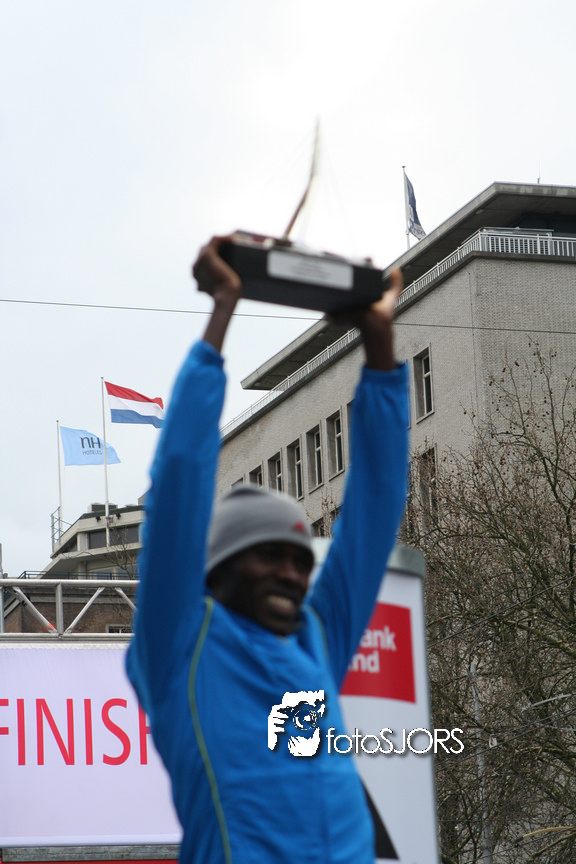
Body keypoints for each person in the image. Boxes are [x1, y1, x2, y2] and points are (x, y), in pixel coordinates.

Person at [126, 237, 409, 864]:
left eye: (302, 561)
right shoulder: (182, 644)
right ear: (218, 568)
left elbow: (374, 508)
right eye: (269, 555)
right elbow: (179, 484)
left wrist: (379, 342)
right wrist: (223, 309)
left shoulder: (316, 639)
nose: (291, 573)